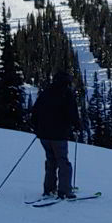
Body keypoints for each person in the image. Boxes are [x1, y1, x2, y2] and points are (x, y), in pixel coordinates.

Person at [30, 70, 79, 200]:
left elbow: (35, 111)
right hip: (59, 135)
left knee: (51, 161)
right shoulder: (66, 94)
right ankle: (64, 191)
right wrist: (78, 126)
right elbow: (72, 113)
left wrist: (37, 128)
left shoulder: (46, 92)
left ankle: (49, 189)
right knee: (63, 162)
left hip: (44, 135)